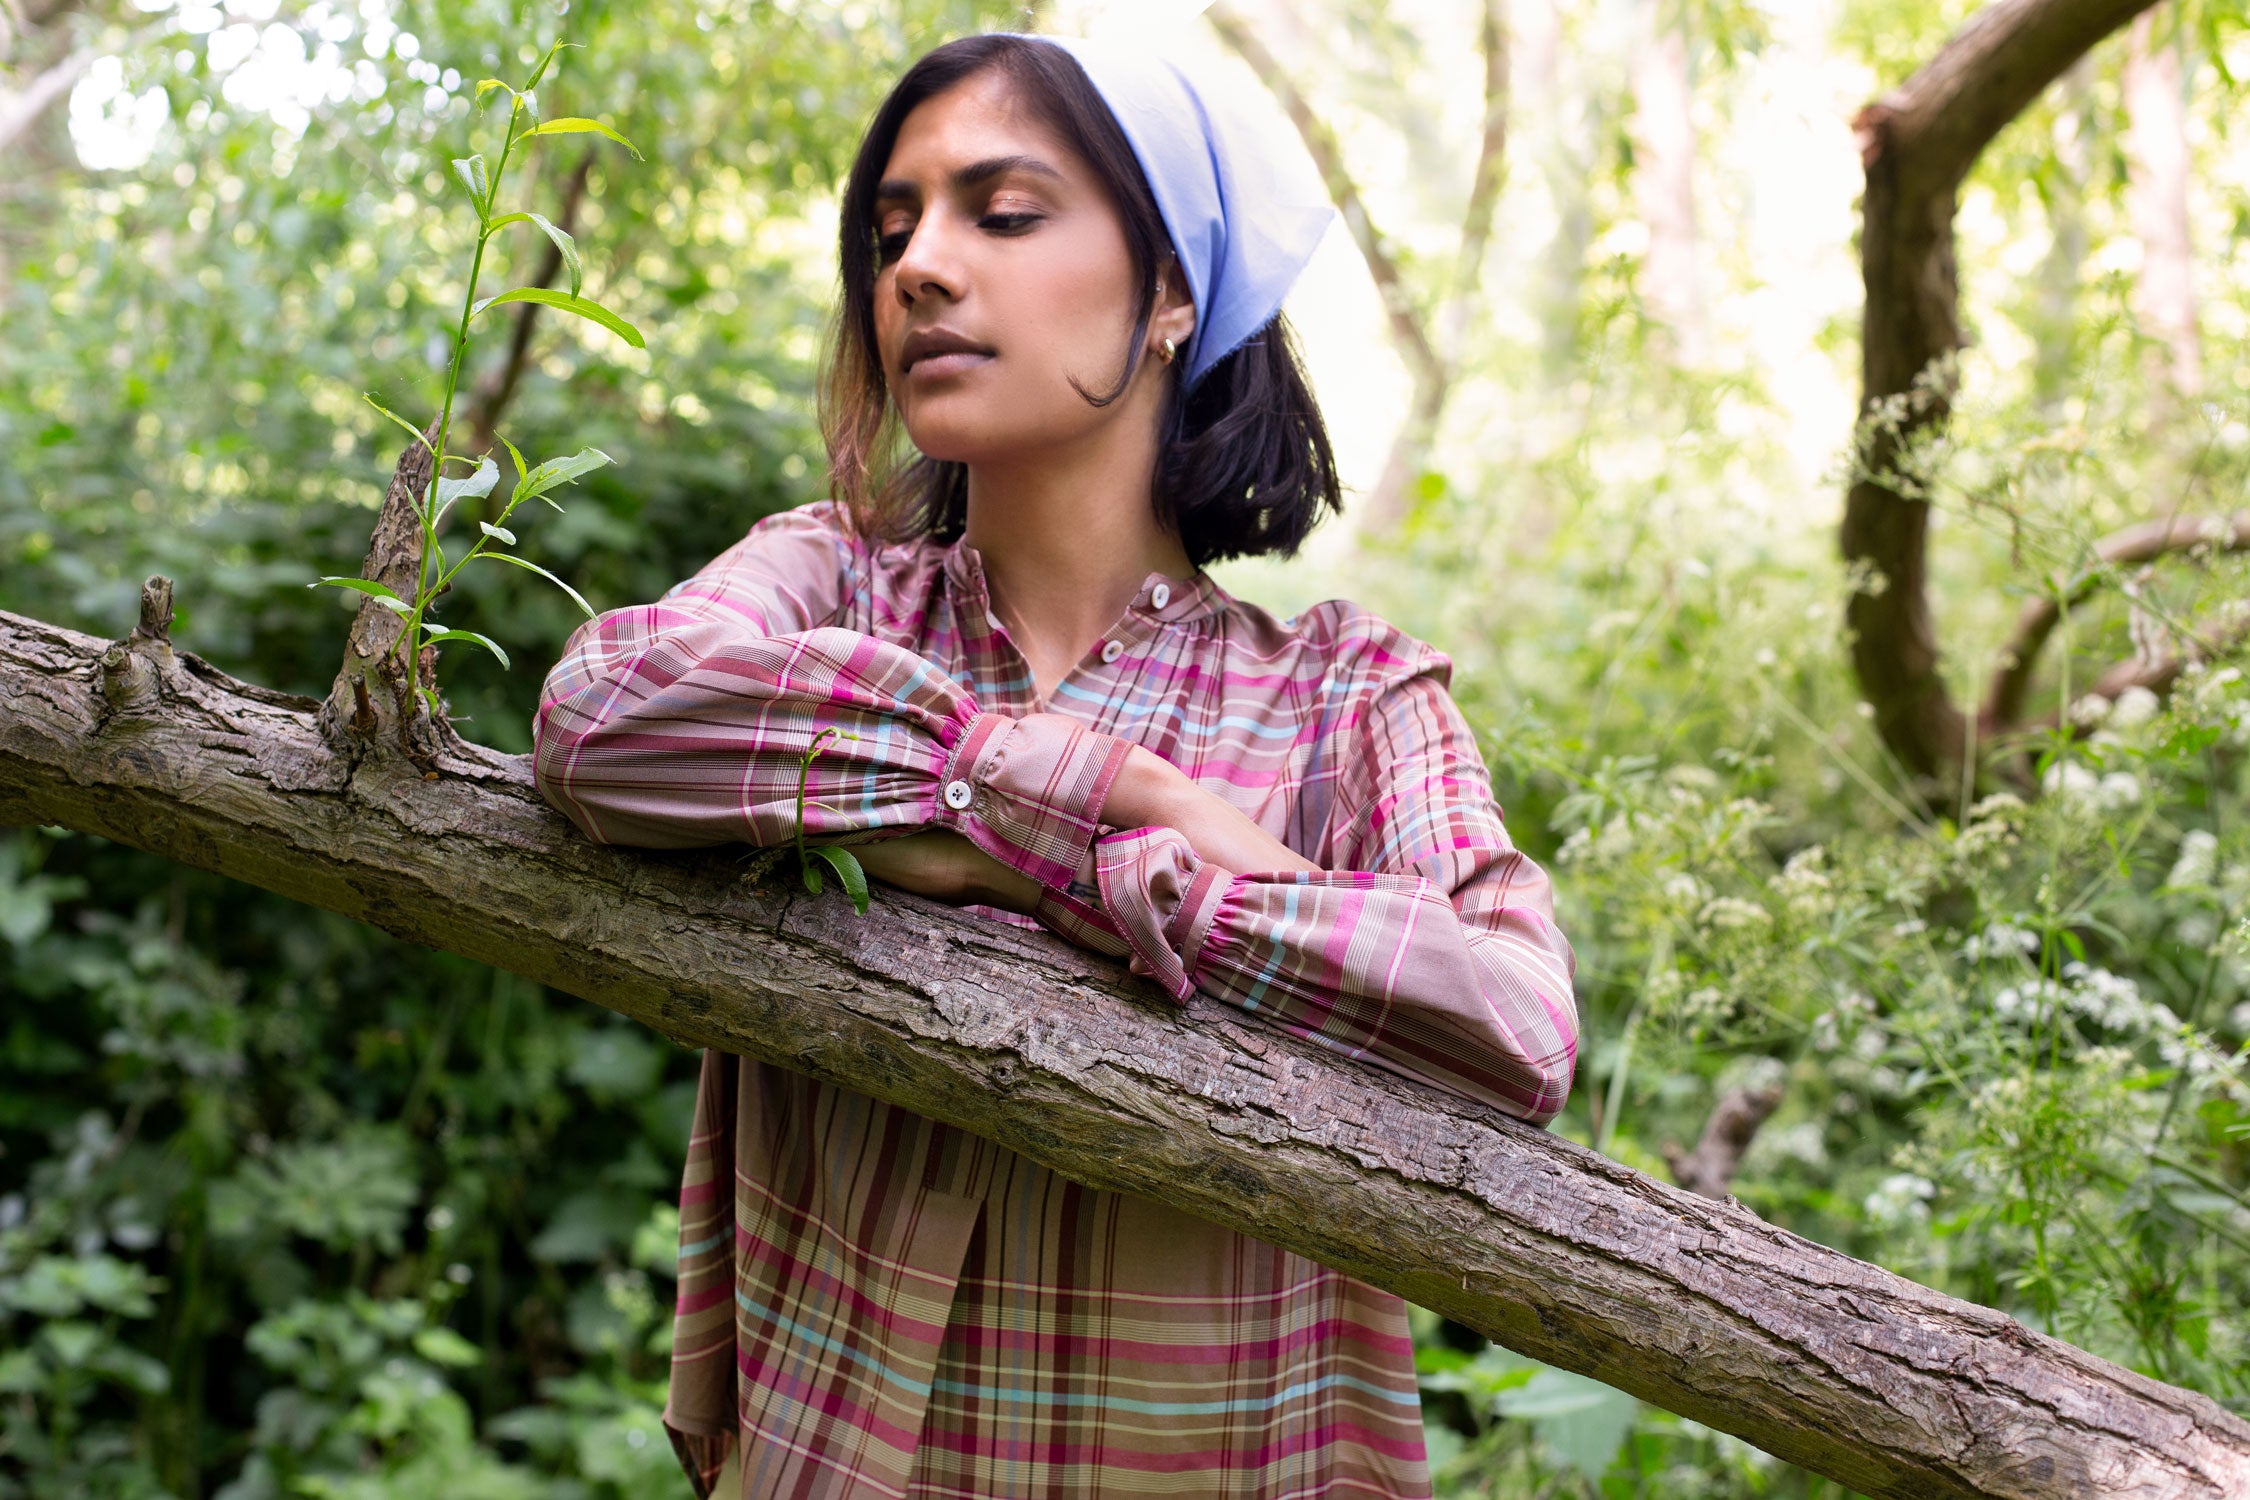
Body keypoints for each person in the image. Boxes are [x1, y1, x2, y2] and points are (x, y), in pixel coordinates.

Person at [531, 30, 1578, 1500]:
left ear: (1167, 294)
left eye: (1001, 214)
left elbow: (1517, 1022)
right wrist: (1094, 791)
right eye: (892, 230)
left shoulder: (1344, 691)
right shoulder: (827, 586)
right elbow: (603, 712)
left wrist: (1085, 870)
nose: (917, 268)